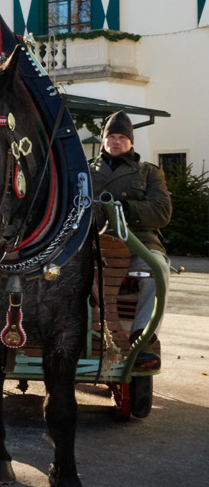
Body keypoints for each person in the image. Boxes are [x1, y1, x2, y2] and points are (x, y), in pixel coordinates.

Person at [90, 110, 172, 368]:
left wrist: (126, 208)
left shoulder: (149, 173)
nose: (116, 142)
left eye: (122, 138)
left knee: (158, 270)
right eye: (111, 137)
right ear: (103, 140)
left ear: (131, 142)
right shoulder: (84, 171)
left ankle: (142, 338)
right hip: (92, 247)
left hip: (139, 244)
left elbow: (162, 212)